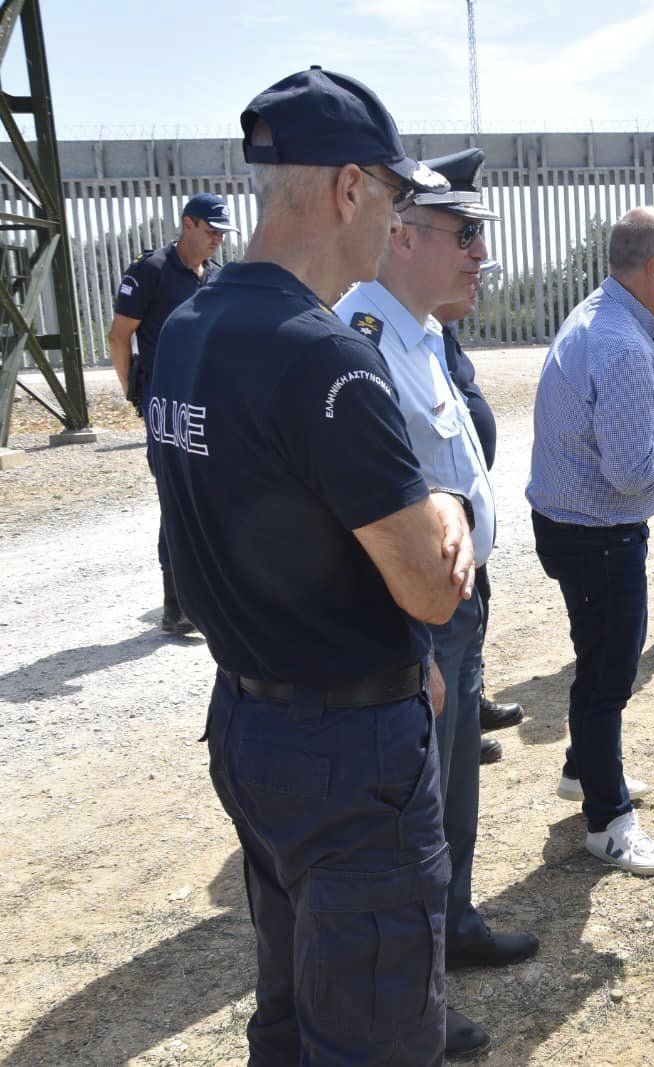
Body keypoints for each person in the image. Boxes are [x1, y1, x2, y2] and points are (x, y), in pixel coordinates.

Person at [147, 67, 494, 1061]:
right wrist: (442, 506)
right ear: (349, 189)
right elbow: (428, 580)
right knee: (375, 1031)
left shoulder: (192, 327)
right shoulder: (327, 354)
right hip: (347, 756)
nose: (395, 229)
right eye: (391, 201)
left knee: (293, 1012)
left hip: (252, 722)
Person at [337, 147, 539, 976]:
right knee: (415, 805)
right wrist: (414, 641)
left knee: (454, 785)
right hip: (414, 616)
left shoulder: (419, 334)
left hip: (454, 603)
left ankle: (449, 925)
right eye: (464, 234)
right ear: (402, 235)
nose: (479, 253)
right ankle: (415, 962)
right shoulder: (363, 337)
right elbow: (363, 519)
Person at [528, 206, 654, 876]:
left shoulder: (596, 316)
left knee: (595, 659)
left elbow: (605, 429)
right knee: (609, 673)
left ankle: (587, 768)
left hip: (567, 525)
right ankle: (608, 821)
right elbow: (632, 473)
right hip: (600, 535)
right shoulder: (628, 345)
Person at [108, 192, 236, 634]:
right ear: (188, 223)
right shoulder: (152, 271)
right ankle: (176, 605)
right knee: (179, 499)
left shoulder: (216, 278)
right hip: (166, 407)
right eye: (211, 229)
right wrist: (134, 393)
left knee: (213, 497)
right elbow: (119, 336)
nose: (218, 238)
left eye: (223, 232)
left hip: (209, 407)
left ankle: (204, 595)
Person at [434, 293, 526, 762]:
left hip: (466, 518)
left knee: (474, 621)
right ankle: (457, 729)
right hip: (439, 527)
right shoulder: (400, 333)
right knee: (446, 640)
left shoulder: (440, 332)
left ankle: (471, 707)